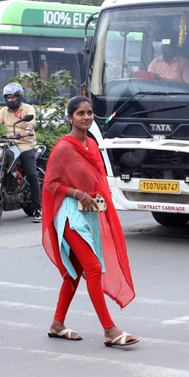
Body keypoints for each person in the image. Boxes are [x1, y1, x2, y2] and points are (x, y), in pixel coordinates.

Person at [41, 96, 138, 347]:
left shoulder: (92, 145)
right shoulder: (63, 147)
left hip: (88, 212)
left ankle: (57, 324)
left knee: (75, 273)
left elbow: (97, 179)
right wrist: (77, 193)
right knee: (94, 269)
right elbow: (51, 183)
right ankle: (109, 329)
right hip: (69, 215)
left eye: (89, 113)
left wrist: (95, 196)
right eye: (80, 113)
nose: (86, 117)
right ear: (70, 117)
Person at [0, 82, 41, 223]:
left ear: (19, 97)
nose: (10, 100)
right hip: (10, 145)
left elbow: (31, 122)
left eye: (13, 97)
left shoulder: (28, 109)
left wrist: (27, 131)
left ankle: (37, 209)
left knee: (31, 174)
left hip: (25, 145)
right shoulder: (4, 111)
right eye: (8, 98)